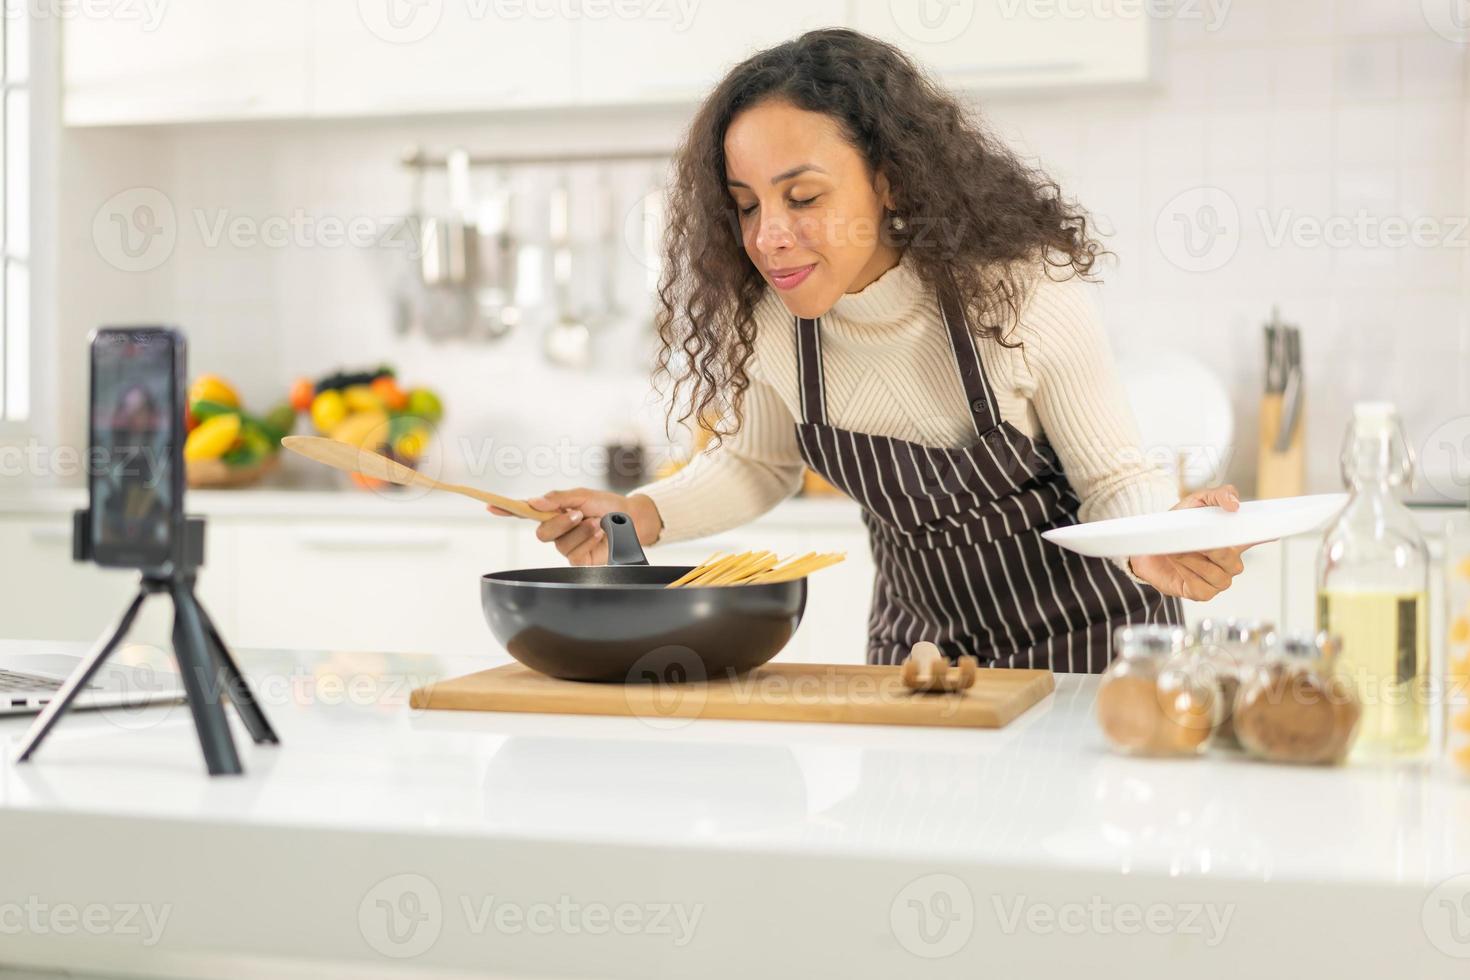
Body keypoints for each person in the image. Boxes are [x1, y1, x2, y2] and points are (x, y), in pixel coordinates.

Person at [493, 28, 1245, 671]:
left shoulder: (1018, 289)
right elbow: (755, 462)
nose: (768, 236)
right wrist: (632, 517)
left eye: (804, 197)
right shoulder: (772, 321)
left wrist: (1159, 542)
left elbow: (1113, 476)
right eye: (747, 205)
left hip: (1091, 651)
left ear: (889, 181)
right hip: (919, 652)